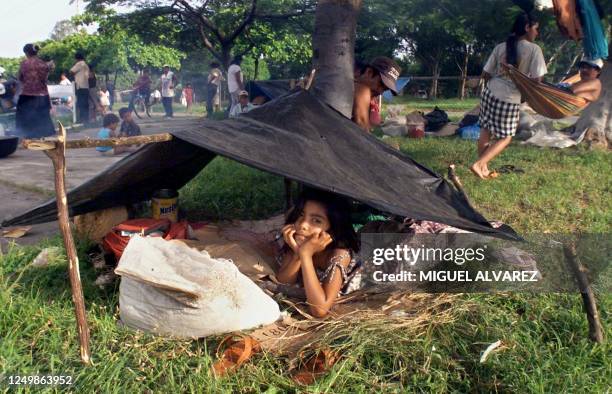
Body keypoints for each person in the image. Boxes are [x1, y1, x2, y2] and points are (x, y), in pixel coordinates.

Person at [471, 13, 547, 180]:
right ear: (527, 28)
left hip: (489, 93)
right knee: (506, 137)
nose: (537, 33)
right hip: (509, 98)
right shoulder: (534, 49)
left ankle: (483, 168)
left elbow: (485, 73)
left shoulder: (500, 47)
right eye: (536, 29)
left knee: (486, 129)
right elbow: (536, 80)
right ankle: (478, 164)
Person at [276, 189, 360, 318]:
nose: (303, 224)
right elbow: (283, 282)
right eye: (301, 215)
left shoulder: (340, 254)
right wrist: (298, 254)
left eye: (316, 221)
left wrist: (305, 256)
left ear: (332, 229)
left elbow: (320, 310)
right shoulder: (300, 242)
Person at [15, 44, 55, 138]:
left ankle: (27, 136)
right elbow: (45, 78)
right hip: (42, 95)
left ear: (27, 53)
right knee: (42, 116)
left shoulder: (24, 63)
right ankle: (41, 136)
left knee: (26, 117)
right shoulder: (43, 64)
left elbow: (20, 78)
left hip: (27, 95)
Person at [352, 56, 401, 131]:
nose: (380, 92)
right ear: (369, 72)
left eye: (385, 89)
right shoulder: (361, 89)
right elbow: (363, 131)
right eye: (380, 84)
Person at [70, 52, 90, 123]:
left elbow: (71, 71)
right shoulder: (86, 65)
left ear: (76, 58)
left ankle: (82, 119)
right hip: (86, 86)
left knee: (81, 103)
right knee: (85, 103)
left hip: (80, 86)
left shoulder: (79, 63)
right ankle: (86, 119)